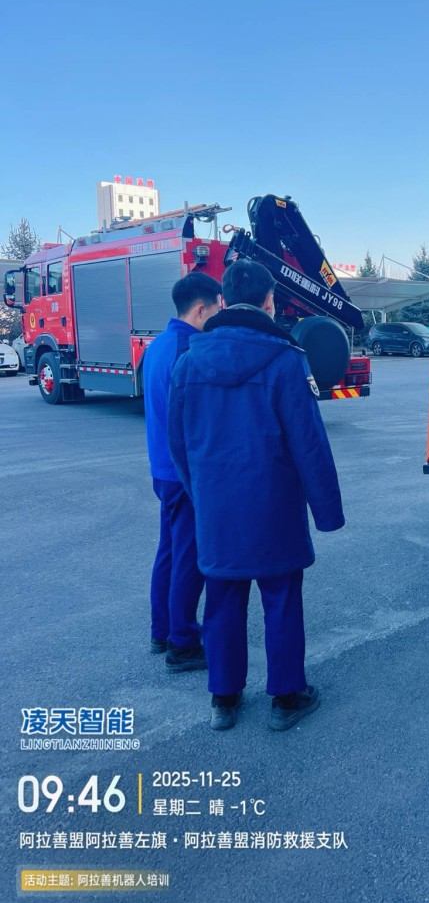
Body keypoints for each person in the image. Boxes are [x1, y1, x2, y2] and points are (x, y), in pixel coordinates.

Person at [168, 259, 344, 731]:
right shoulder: (286, 361)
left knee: (222, 597)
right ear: (270, 303)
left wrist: (201, 494)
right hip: (274, 508)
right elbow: (309, 444)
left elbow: (178, 444)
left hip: (217, 509)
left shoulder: (188, 363)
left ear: (224, 301)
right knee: (281, 598)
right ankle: (287, 698)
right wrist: (327, 511)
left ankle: (224, 699)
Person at [143, 271, 222, 671]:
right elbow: (193, 421)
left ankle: (162, 630)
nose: (220, 316)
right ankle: (183, 643)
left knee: (171, 551)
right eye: (218, 309)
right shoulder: (188, 350)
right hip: (184, 473)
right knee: (189, 557)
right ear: (200, 309)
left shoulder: (159, 345)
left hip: (163, 469)